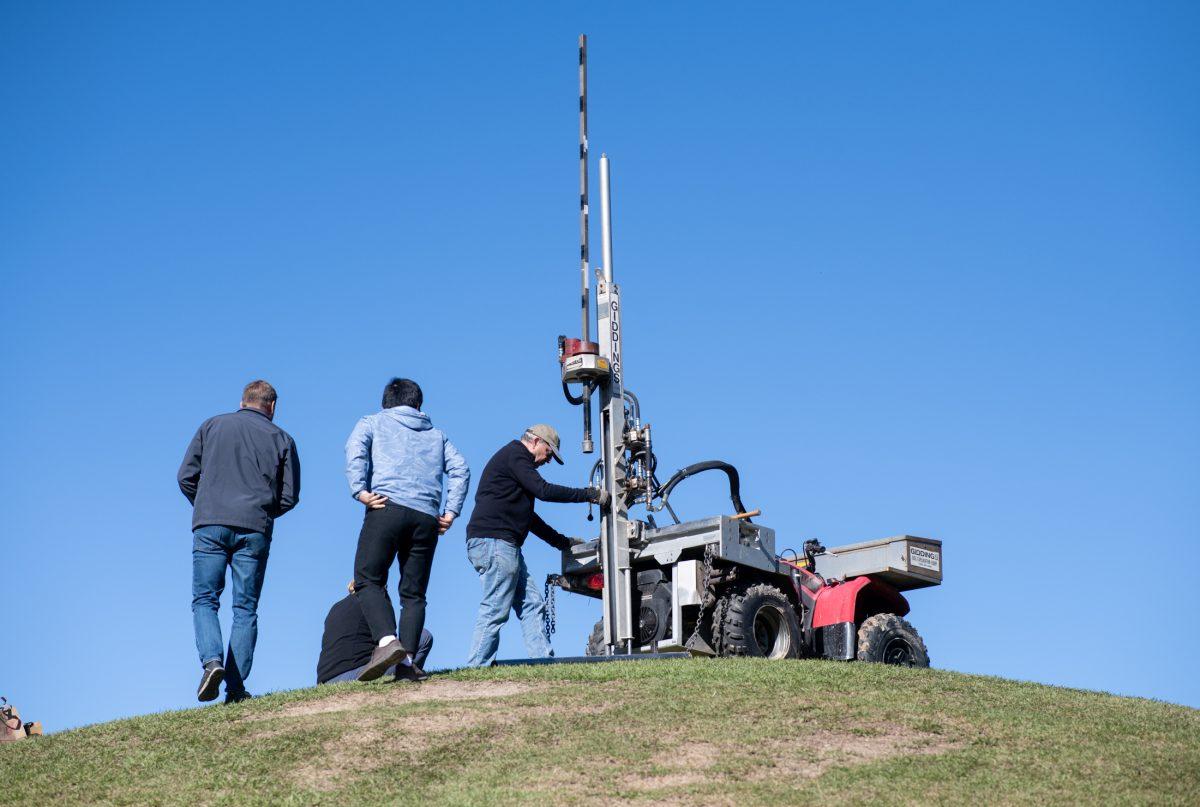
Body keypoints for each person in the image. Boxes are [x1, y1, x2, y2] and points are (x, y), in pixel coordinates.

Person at [177, 380, 300, 703]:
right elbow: (289, 497)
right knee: (245, 608)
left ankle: (212, 662)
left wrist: (207, 505)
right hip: (254, 529)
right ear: (272, 406)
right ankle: (235, 688)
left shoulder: (212, 425)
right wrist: (259, 512)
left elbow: (185, 476)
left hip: (210, 524)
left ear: (243, 401)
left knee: (205, 600)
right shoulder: (282, 438)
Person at [345, 377, 469, 681]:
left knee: (367, 578)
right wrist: (450, 512)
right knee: (414, 594)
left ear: (387, 401)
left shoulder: (373, 422)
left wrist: (359, 489)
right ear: (418, 404)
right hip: (427, 517)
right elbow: (461, 468)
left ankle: (387, 642)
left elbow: (355, 449)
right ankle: (407, 664)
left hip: (386, 506)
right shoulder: (437, 436)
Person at [464, 424, 608, 667]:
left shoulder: (517, 468)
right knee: (496, 607)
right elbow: (544, 491)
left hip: (503, 545)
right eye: (549, 453)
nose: (548, 461)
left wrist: (563, 542)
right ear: (536, 442)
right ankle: (477, 667)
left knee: (532, 603)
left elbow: (529, 518)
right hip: (495, 543)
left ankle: (543, 663)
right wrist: (589, 495)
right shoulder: (516, 455)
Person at [317, 584, 434, 684]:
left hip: (325, 680)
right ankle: (408, 674)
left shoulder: (336, 607)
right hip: (356, 675)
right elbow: (391, 644)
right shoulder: (376, 603)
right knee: (423, 636)